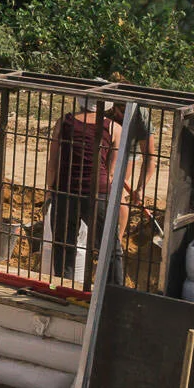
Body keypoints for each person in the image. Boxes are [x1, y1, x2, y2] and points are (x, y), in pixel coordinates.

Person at [43, 86, 155, 284]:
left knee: (63, 246)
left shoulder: (64, 122)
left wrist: (50, 191)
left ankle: (64, 290)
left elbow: (53, 163)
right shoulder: (114, 128)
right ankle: (114, 292)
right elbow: (111, 171)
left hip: (65, 191)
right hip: (98, 193)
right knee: (110, 248)